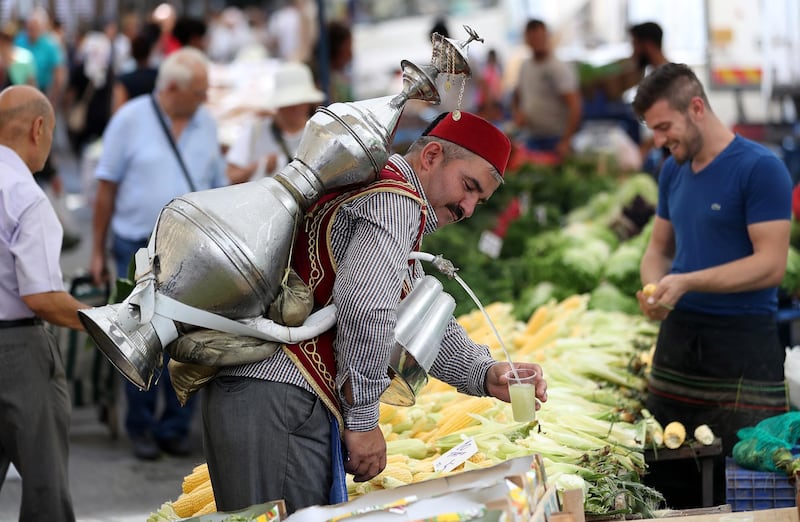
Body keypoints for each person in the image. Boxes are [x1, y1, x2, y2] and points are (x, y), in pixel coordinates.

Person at [202, 111, 548, 514]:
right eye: (468, 187)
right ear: (432, 155)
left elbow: (414, 309)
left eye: (479, 200)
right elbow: (366, 309)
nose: (468, 208)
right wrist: (364, 421)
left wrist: (484, 373)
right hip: (279, 399)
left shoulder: (386, 190)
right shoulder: (393, 200)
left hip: (269, 399)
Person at [632, 63, 792, 507]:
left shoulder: (761, 169)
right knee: (670, 474)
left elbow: (770, 265)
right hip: (679, 342)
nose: (660, 140)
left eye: (664, 127)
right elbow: (657, 250)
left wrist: (686, 281)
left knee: (743, 476)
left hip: (743, 348)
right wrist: (654, 290)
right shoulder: (672, 172)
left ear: (697, 108)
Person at [90, 47, 227, 460]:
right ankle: (142, 426)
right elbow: (105, 189)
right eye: (198, 92)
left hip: (190, 249)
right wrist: (96, 250)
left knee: (186, 337)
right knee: (140, 338)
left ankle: (174, 425)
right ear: (171, 88)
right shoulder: (129, 119)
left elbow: (217, 187)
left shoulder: (205, 122)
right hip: (136, 247)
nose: (204, 100)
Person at [0, 85, 90, 522]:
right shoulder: (24, 195)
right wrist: (101, 320)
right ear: (38, 129)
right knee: (45, 492)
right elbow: (41, 297)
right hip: (16, 354)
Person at [225, 61, 324, 183]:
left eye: (300, 101)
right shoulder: (255, 130)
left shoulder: (321, 134)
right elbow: (230, 176)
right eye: (289, 103)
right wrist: (259, 166)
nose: (295, 108)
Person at [512, 19, 582, 158]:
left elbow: (575, 105)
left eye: (540, 37)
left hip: (556, 138)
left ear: (547, 37)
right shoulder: (525, 66)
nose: (536, 41)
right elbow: (517, 96)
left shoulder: (558, 68)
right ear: (527, 39)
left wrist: (566, 140)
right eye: (532, 37)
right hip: (533, 137)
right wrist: (518, 113)